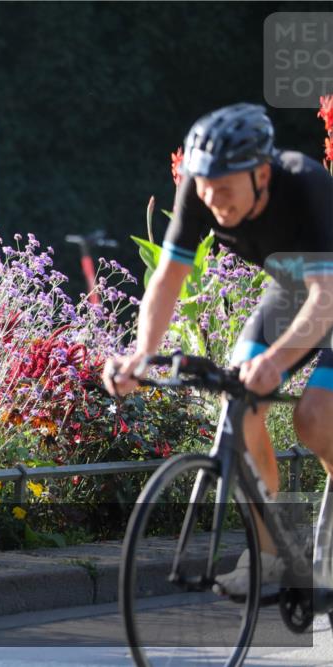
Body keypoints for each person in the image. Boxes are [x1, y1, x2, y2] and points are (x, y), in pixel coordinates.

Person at [102, 103, 333, 596]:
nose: (214, 199)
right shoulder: (201, 189)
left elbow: (325, 298)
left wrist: (274, 362)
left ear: (262, 174)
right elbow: (166, 280)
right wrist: (142, 354)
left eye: (225, 188)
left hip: (327, 293)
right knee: (238, 400)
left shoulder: (306, 184)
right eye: (205, 187)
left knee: (314, 419)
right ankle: (270, 556)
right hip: (293, 293)